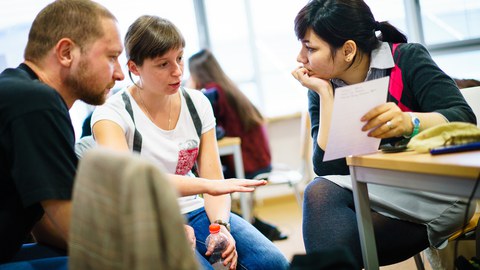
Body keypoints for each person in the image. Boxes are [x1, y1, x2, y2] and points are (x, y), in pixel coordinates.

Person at [91, 15, 290, 270]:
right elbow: (131, 182)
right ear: (134, 67)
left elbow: (212, 177)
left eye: (180, 58)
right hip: (142, 218)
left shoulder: (198, 103)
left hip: (195, 211)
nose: (177, 71)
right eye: (163, 64)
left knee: (274, 264)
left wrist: (222, 226)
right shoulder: (111, 114)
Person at [291, 0, 477, 269]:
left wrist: (410, 122)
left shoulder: (407, 59)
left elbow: (464, 117)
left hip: (436, 191)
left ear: (348, 50)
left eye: (310, 48)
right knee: (320, 193)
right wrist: (325, 94)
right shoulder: (322, 83)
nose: (300, 58)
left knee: (336, 242)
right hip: (379, 193)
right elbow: (326, 166)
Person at [0, 0, 125, 264]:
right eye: (111, 57)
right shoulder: (35, 102)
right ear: (67, 52)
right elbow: (76, 227)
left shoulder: (20, 91)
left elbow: (45, 224)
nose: (120, 74)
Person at [187, 49, 288, 241]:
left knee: (205, 180)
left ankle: (247, 225)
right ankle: (256, 224)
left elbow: (209, 129)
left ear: (196, 73)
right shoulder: (226, 87)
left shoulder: (212, 92)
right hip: (259, 159)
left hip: (248, 163)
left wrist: (191, 88)